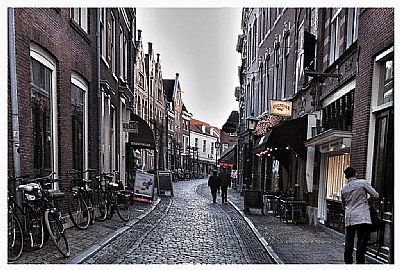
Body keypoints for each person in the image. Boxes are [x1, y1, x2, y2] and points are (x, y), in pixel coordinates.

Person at [340, 166, 379, 264]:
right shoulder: (362, 183)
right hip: (362, 216)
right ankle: (360, 262)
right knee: (361, 242)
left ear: (346, 177)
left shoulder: (344, 189)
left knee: (349, 241)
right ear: (355, 174)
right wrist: (366, 201)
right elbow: (376, 195)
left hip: (349, 217)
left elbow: (343, 204)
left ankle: (348, 262)